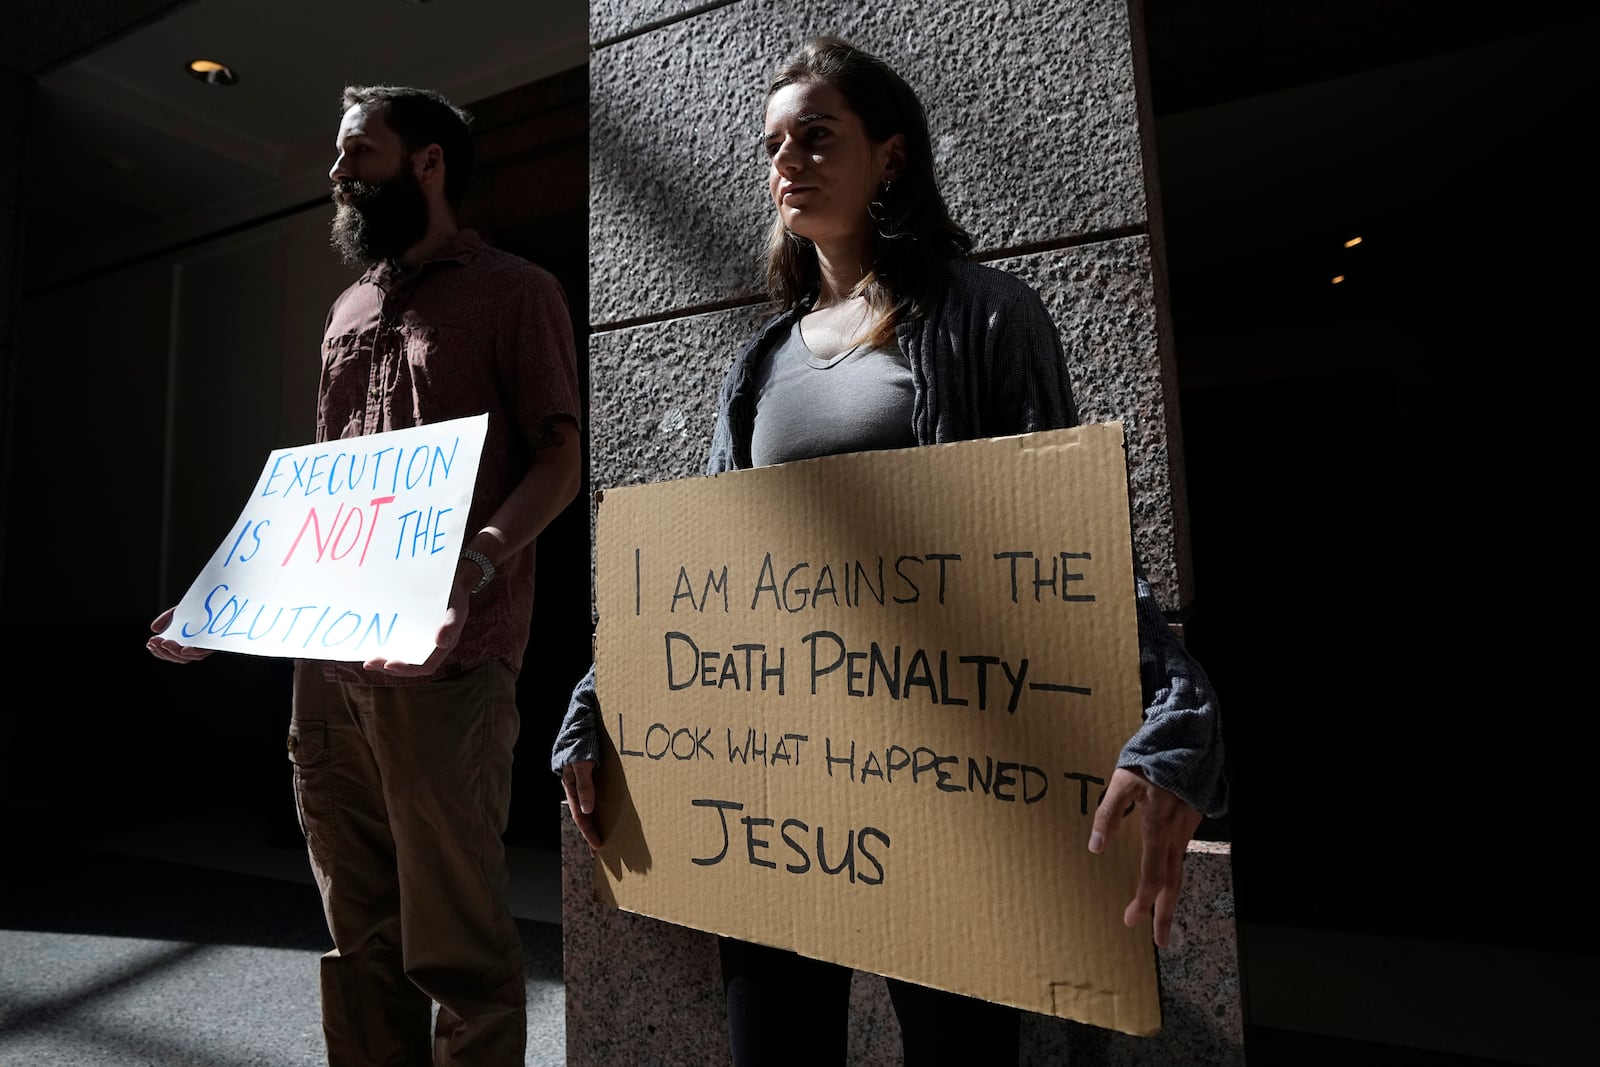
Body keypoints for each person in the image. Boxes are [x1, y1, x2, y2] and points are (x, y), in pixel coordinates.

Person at [552, 34, 1225, 1066]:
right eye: (773, 145)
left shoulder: (987, 317)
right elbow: (710, 583)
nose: (788, 162)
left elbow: (1072, 553)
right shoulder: (757, 365)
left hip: (947, 785)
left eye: (817, 137)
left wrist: (1173, 718)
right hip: (779, 789)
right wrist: (599, 703)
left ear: (891, 157)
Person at [147, 84, 583, 1067]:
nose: (338, 173)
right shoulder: (345, 309)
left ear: (428, 163)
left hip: (452, 663)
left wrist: (470, 568)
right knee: (359, 933)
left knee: (458, 946)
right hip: (326, 670)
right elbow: (320, 492)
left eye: (359, 153)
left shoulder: (516, 291)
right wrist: (229, 600)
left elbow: (561, 457)